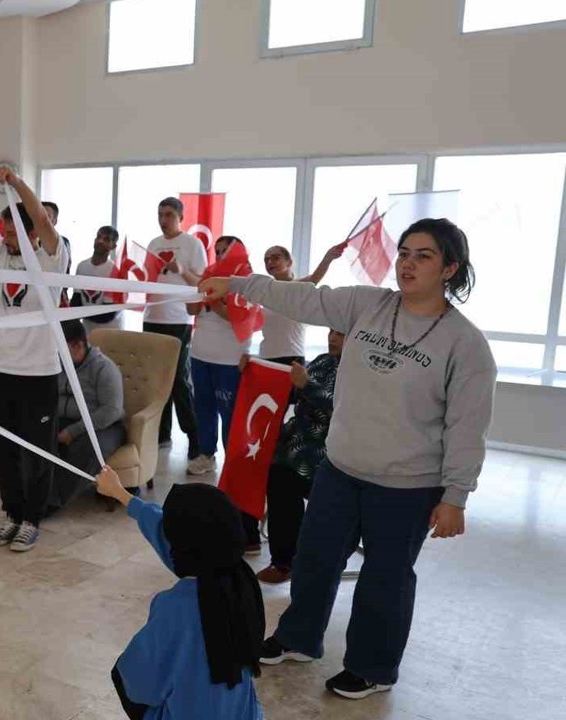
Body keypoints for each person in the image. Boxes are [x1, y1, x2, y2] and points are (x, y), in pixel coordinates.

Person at [200, 218, 495, 699]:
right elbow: (300, 298)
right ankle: (298, 637)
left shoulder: (465, 345)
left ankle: (373, 667)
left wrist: (456, 495)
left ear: (450, 268)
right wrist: (235, 283)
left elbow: (467, 426)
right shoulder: (368, 304)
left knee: (386, 578)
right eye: (404, 252)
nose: (407, 263)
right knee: (315, 559)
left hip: (407, 485)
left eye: (423, 255)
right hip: (339, 469)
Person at [96, 466, 265, 720]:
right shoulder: (240, 580)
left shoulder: (177, 610)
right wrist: (122, 494)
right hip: (242, 713)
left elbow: (139, 680)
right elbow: (170, 536)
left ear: (184, 552)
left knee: (123, 677)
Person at [0, 165, 68, 553]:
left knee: (37, 449)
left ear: (32, 231)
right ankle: (12, 514)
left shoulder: (50, 259)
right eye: (4, 228)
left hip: (38, 372)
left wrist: (14, 182)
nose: (6, 234)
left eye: (14, 228)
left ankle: (32, 518)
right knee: (2, 449)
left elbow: (43, 219)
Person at [256, 329, 344, 585]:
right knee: (259, 465)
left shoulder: (361, 372)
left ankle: (287, 562)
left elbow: (339, 409)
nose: (332, 338)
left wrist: (307, 385)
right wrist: (256, 367)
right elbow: (294, 394)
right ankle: (268, 549)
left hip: (330, 452)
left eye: (340, 334)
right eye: (331, 332)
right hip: (298, 442)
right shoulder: (323, 361)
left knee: (282, 478)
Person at [184, 236, 251, 478]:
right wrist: (194, 290)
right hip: (201, 353)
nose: (221, 255)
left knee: (229, 412)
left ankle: (233, 460)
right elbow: (192, 310)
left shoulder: (245, 281)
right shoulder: (208, 275)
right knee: (203, 407)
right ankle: (206, 454)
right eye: (218, 251)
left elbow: (235, 317)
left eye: (226, 251)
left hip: (229, 359)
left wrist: (210, 296)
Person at [144, 197, 205, 460]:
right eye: (159, 214)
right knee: (156, 380)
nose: (163, 220)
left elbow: (202, 281)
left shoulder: (193, 244)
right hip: (152, 316)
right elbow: (145, 276)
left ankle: (194, 436)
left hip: (179, 319)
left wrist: (180, 270)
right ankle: (161, 433)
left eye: (168, 214)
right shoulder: (153, 244)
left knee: (179, 380)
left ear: (180, 217)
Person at [48, 319, 126, 513]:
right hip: (66, 419)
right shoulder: (59, 364)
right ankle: (35, 492)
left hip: (104, 425)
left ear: (78, 345)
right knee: (37, 436)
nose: (58, 353)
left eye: (62, 348)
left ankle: (53, 501)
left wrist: (73, 431)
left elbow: (111, 410)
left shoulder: (104, 368)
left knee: (87, 449)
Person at [259, 243, 344, 366]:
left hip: (292, 357)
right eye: (266, 260)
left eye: (276, 258)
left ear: (289, 262)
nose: (270, 262)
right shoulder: (265, 290)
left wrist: (328, 258)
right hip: (265, 356)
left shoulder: (298, 288)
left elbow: (314, 278)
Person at [71, 225, 122, 333]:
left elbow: (107, 314)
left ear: (113, 246)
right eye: (98, 237)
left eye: (106, 239)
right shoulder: (82, 266)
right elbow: (76, 301)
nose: (100, 241)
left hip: (109, 333)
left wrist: (78, 312)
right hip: (87, 332)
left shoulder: (115, 272)